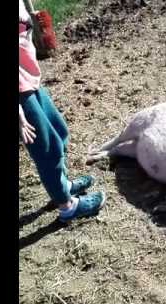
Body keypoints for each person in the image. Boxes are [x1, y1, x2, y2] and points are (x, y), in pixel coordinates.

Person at [19, 0, 106, 222]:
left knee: (58, 130)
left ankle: (62, 186)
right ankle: (67, 207)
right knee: (46, 149)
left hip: (28, 78)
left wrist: (30, 17)